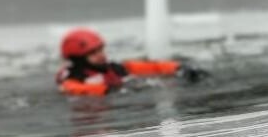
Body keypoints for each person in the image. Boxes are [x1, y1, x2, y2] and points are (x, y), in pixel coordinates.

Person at [56, 28, 207, 96]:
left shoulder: (113, 68)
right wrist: (107, 91)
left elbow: (148, 67)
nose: (101, 55)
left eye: (101, 49)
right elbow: (72, 88)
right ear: (78, 59)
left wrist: (178, 67)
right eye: (93, 53)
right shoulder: (73, 77)